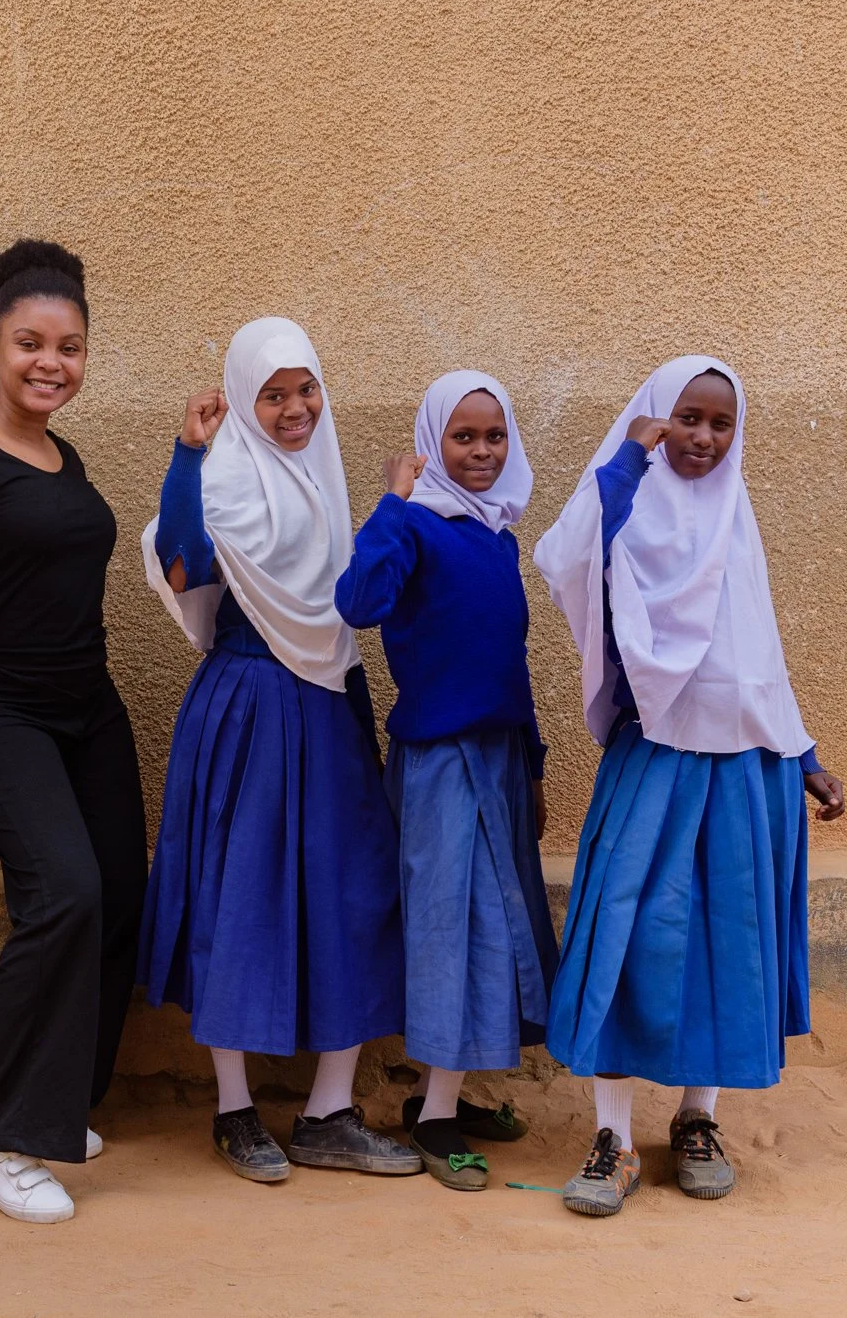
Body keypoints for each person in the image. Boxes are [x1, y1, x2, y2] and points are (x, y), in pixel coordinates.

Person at [532, 355, 847, 1218]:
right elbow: (564, 555)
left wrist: (806, 750)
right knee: (626, 943)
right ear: (654, 416)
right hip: (658, 758)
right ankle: (612, 1136)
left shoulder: (736, 519)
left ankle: (698, 1120)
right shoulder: (626, 502)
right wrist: (629, 458)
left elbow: (759, 653)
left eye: (720, 423)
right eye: (687, 417)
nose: (703, 437)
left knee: (723, 944)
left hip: (748, 770)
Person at [140, 317, 417, 1185]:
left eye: (306, 389)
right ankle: (234, 1110)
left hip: (329, 701)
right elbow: (186, 569)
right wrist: (187, 453)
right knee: (239, 890)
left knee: (351, 892)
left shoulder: (322, 476)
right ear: (244, 398)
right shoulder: (220, 475)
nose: (295, 408)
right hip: (250, 705)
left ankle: (330, 1112)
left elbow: (348, 597)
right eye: (273, 393)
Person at [0, 238, 148, 1224]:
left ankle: (55, 1106)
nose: (50, 361)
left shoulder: (63, 453)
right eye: (29, 343)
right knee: (64, 891)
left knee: (119, 893)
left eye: (69, 345)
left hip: (85, 706)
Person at [334, 370, 557, 1191]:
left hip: (497, 761)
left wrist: (531, 763)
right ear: (432, 442)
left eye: (494, 436)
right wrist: (393, 501)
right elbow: (358, 601)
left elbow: (512, 661)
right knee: (452, 928)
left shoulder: (498, 534)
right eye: (462, 437)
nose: (482, 452)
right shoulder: (419, 526)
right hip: (439, 763)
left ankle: (444, 1097)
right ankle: (431, 1120)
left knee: (497, 923)